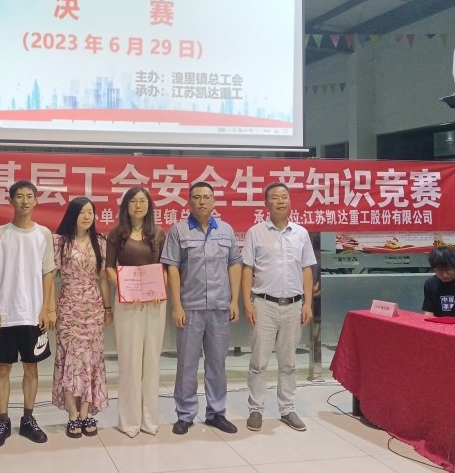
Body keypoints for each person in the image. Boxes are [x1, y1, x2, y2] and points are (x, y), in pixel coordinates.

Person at [161, 181, 242, 436]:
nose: (202, 201)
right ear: (190, 201)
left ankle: (216, 413)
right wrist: (176, 305)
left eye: (207, 197)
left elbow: (235, 263)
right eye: (197, 197)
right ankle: (185, 414)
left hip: (220, 306)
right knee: (186, 364)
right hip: (190, 307)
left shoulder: (226, 230)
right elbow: (172, 268)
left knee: (217, 363)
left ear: (214, 201)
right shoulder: (178, 231)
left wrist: (234, 300)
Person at [0, 180, 56, 448]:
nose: (25, 201)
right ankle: (3, 421)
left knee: (31, 367)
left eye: (29, 196)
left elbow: (49, 272)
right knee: (2, 368)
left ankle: (28, 418)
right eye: (20, 196)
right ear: (11, 201)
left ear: (36, 200)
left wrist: (46, 308)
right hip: (5, 314)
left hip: (33, 315)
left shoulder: (43, 234)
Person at [241, 182, 315, 433]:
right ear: (266, 203)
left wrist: (308, 303)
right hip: (264, 305)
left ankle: (287, 409)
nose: (281, 201)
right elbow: (247, 269)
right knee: (258, 362)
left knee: (289, 362)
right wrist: (247, 302)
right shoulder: (255, 232)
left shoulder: (301, 233)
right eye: (275, 197)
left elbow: (307, 269)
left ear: (290, 201)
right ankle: (256, 409)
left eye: (284, 196)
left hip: (294, 306)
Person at [105, 186, 167, 437]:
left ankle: (149, 420)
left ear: (149, 205)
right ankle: (129, 421)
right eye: (133, 201)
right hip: (127, 302)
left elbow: (164, 267)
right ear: (126, 206)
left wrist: (158, 286)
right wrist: (124, 288)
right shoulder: (117, 234)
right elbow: (109, 267)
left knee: (151, 360)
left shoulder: (159, 234)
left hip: (154, 303)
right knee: (130, 361)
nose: (138, 205)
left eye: (142, 201)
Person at [52, 197, 111, 438]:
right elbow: (50, 276)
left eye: (90, 212)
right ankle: (72, 415)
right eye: (82, 212)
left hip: (93, 308)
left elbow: (103, 278)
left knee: (90, 361)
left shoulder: (100, 242)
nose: (87, 217)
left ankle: (85, 413)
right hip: (69, 307)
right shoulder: (60, 242)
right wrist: (49, 307)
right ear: (73, 215)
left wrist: (108, 308)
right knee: (70, 360)